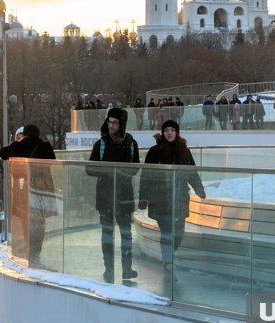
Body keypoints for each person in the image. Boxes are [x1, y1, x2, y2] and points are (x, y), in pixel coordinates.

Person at [139, 120, 206, 276]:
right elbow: (146, 176)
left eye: (172, 130)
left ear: (177, 132)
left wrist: (199, 188)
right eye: (166, 130)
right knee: (167, 231)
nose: (169, 133)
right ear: (163, 133)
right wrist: (143, 197)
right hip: (160, 199)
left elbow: (192, 173)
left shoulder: (184, 151)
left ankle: (168, 256)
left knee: (179, 233)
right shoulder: (154, 151)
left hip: (179, 198)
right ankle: (168, 262)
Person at [86, 108, 140, 285]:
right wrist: (111, 171)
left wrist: (120, 172)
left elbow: (135, 168)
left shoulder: (131, 143)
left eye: (115, 123)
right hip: (105, 196)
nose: (111, 125)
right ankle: (108, 269)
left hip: (124, 195)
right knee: (107, 234)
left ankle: (126, 269)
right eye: (109, 122)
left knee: (126, 233)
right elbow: (89, 168)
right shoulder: (100, 144)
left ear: (122, 124)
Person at [0, 124, 56, 267]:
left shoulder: (20, 146)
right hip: (43, 190)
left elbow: (3, 153)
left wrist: (17, 143)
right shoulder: (45, 147)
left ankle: (29, 252)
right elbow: (52, 162)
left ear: (24, 135)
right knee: (40, 223)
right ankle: (36, 253)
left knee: (27, 221)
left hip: (26, 190)